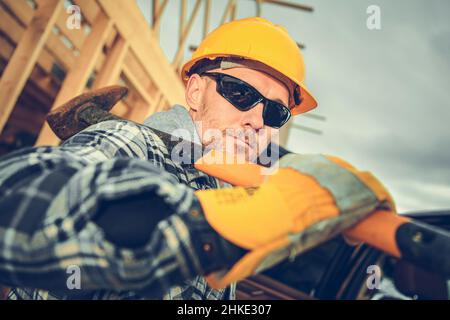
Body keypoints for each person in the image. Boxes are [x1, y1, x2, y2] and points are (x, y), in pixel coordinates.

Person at [0, 17, 393, 300]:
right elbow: (13, 203)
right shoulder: (135, 143)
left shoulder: (221, 189)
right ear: (195, 92)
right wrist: (211, 231)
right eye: (241, 93)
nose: (257, 119)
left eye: (276, 113)